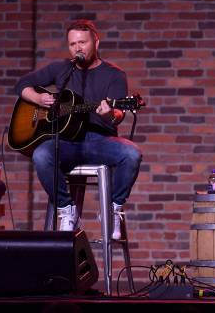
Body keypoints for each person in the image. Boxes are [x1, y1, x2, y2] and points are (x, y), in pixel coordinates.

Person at [14, 19, 142, 238]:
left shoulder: (114, 75)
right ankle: (67, 209)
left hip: (100, 141)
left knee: (131, 153)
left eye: (82, 42)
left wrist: (110, 113)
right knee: (41, 154)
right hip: (67, 142)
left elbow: (118, 116)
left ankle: (113, 210)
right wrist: (38, 98)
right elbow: (21, 85)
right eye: (73, 44)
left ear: (96, 42)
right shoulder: (61, 69)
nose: (78, 48)